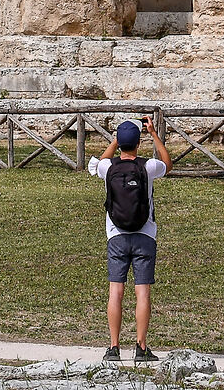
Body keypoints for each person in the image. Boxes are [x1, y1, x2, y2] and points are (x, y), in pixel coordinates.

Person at [88, 115, 169, 362]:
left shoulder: (108, 168)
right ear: (138, 144)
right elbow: (168, 163)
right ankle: (141, 347)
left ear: (119, 143)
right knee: (142, 292)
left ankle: (113, 347)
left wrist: (114, 140)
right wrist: (154, 133)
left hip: (116, 236)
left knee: (116, 291)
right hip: (145, 234)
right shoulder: (148, 167)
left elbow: (100, 160)